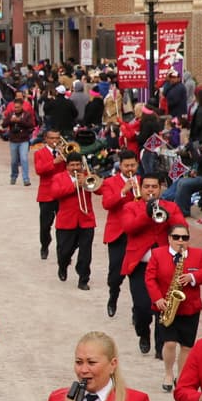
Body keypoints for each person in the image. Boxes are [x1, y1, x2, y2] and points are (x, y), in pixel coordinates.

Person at [121, 174, 186, 355]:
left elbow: (181, 229)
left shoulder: (171, 207)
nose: (150, 190)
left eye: (154, 187)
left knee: (161, 307)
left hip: (163, 266)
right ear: (141, 189)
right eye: (147, 187)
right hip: (139, 266)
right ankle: (143, 333)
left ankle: (160, 347)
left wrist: (165, 215)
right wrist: (146, 213)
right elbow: (129, 228)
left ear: (160, 189)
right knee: (142, 307)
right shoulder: (131, 206)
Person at [145, 225, 202, 391]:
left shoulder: (198, 254)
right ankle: (168, 373)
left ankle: (181, 376)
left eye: (184, 238)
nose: (180, 241)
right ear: (169, 238)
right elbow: (150, 278)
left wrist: (192, 276)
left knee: (187, 346)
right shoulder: (158, 254)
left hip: (190, 307)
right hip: (167, 306)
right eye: (176, 237)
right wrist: (158, 298)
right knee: (170, 343)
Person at [100, 151, 142, 318]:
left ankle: (137, 309)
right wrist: (123, 191)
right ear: (120, 166)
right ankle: (113, 297)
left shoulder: (142, 181)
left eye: (133, 165)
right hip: (118, 233)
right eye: (126, 166)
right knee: (116, 273)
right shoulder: (110, 182)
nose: (130, 169)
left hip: (138, 232)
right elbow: (107, 204)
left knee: (137, 274)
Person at [52, 153, 96, 290]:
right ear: (67, 166)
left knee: (85, 252)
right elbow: (55, 193)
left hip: (86, 220)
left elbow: (99, 190)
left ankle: (83, 279)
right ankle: (63, 265)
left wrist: (88, 180)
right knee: (64, 251)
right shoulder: (58, 177)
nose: (75, 167)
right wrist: (74, 185)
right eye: (72, 165)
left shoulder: (87, 176)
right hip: (66, 220)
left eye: (78, 165)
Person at [34, 129, 68, 259]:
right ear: (46, 139)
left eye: (57, 138)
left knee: (63, 224)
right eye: (52, 138)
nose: (55, 141)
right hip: (46, 194)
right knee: (45, 224)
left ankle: (62, 250)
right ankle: (44, 245)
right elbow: (39, 170)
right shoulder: (39, 153)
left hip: (62, 193)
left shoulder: (64, 152)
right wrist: (54, 162)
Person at [4, 97, 36, 186]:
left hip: (24, 140)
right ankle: (13, 176)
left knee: (24, 159)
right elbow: (3, 124)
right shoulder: (10, 114)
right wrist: (10, 121)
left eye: (18, 107)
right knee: (14, 161)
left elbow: (31, 125)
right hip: (13, 140)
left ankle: (26, 179)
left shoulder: (27, 115)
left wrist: (20, 121)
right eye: (15, 107)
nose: (16, 109)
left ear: (22, 106)